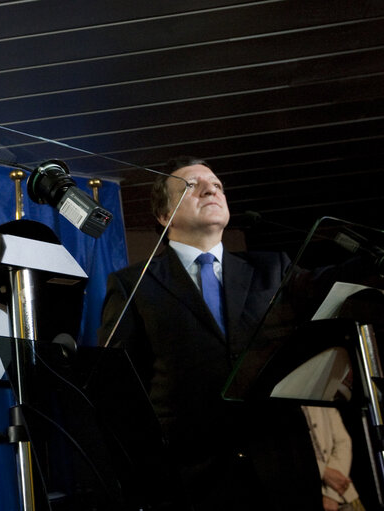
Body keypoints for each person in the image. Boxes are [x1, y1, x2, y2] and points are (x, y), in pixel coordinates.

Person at [98, 156, 321, 510]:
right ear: (163, 215)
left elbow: (332, 293)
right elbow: (120, 387)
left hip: (280, 464)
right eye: (191, 185)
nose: (210, 189)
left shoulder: (273, 269)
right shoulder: (133, 284)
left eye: (216, 184)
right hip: (189, 476)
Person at [303, 406, 366, 511]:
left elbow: (343, 442)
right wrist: (323, 471)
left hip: (341, 493)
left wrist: (332, 495)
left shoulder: (321, 395)